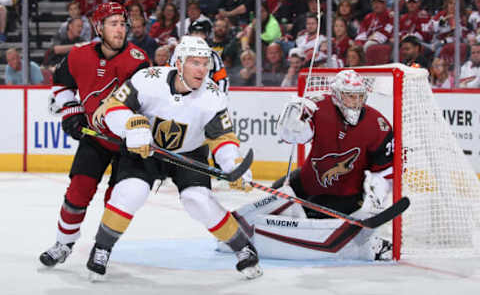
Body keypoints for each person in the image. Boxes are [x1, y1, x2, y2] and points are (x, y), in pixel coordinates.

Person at [85, 35, 262, 280]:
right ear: (178, 63)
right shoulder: (147, 80)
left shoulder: (213, 97)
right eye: (195, 63)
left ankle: (242, 246)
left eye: (205, 64)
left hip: (189, 153)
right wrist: (131, 127)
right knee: (131, 191)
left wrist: (232, 164)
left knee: (197, 199)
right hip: (144, 149)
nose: (202, 70)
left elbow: (223, 138)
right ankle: (101, 248)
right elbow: (114, 106)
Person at [220, 69, 394, 261]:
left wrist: (377, 196)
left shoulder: (378, 124)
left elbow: (385, 171)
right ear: (336, 95)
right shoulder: (318, 107)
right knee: (276, 194)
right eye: (349, 96)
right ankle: (236, 232)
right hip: (306, 183)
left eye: (359, 96)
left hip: (343, 197)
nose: (355, 101)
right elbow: (294, 136)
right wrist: (291, 122)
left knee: (316, 225)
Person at [39, 2, 150, 268]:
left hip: (126, 144)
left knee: (118, 201)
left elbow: (148, 102)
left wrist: (141, 135)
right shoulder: (79, 56)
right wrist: (71, 111)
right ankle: (63, 244)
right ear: (99, 27)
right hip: (95, 138)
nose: (120, 29)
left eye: (123, 24)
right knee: (77, 192)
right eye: (113, 24)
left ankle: (103, 247)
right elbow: (61, 84)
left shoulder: (138, 60)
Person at [169, 20, 230, 93]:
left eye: (201, 33)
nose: (197, 36)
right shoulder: (178, 53)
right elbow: (169, 75)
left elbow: (222, 79)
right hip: (180, 95)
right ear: (190, 34)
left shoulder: (212, 55)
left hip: (204, 95)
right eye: (195, 33)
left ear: (206, 35)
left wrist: (221, 98)